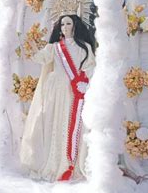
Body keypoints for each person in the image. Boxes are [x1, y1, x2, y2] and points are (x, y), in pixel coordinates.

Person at [19, 14, 96, 182]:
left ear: (75, 25)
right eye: (62, 24)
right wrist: (32, 44)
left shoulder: (85, 48)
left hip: (75, 92)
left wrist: (84, 82)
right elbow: (40, 58)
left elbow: (90, 68)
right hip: (56, 91)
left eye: (68, 23)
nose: (65, 27)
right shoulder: (54, 48)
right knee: (54, 123)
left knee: (72, 124)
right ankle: (54, 163)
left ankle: (71, 163)